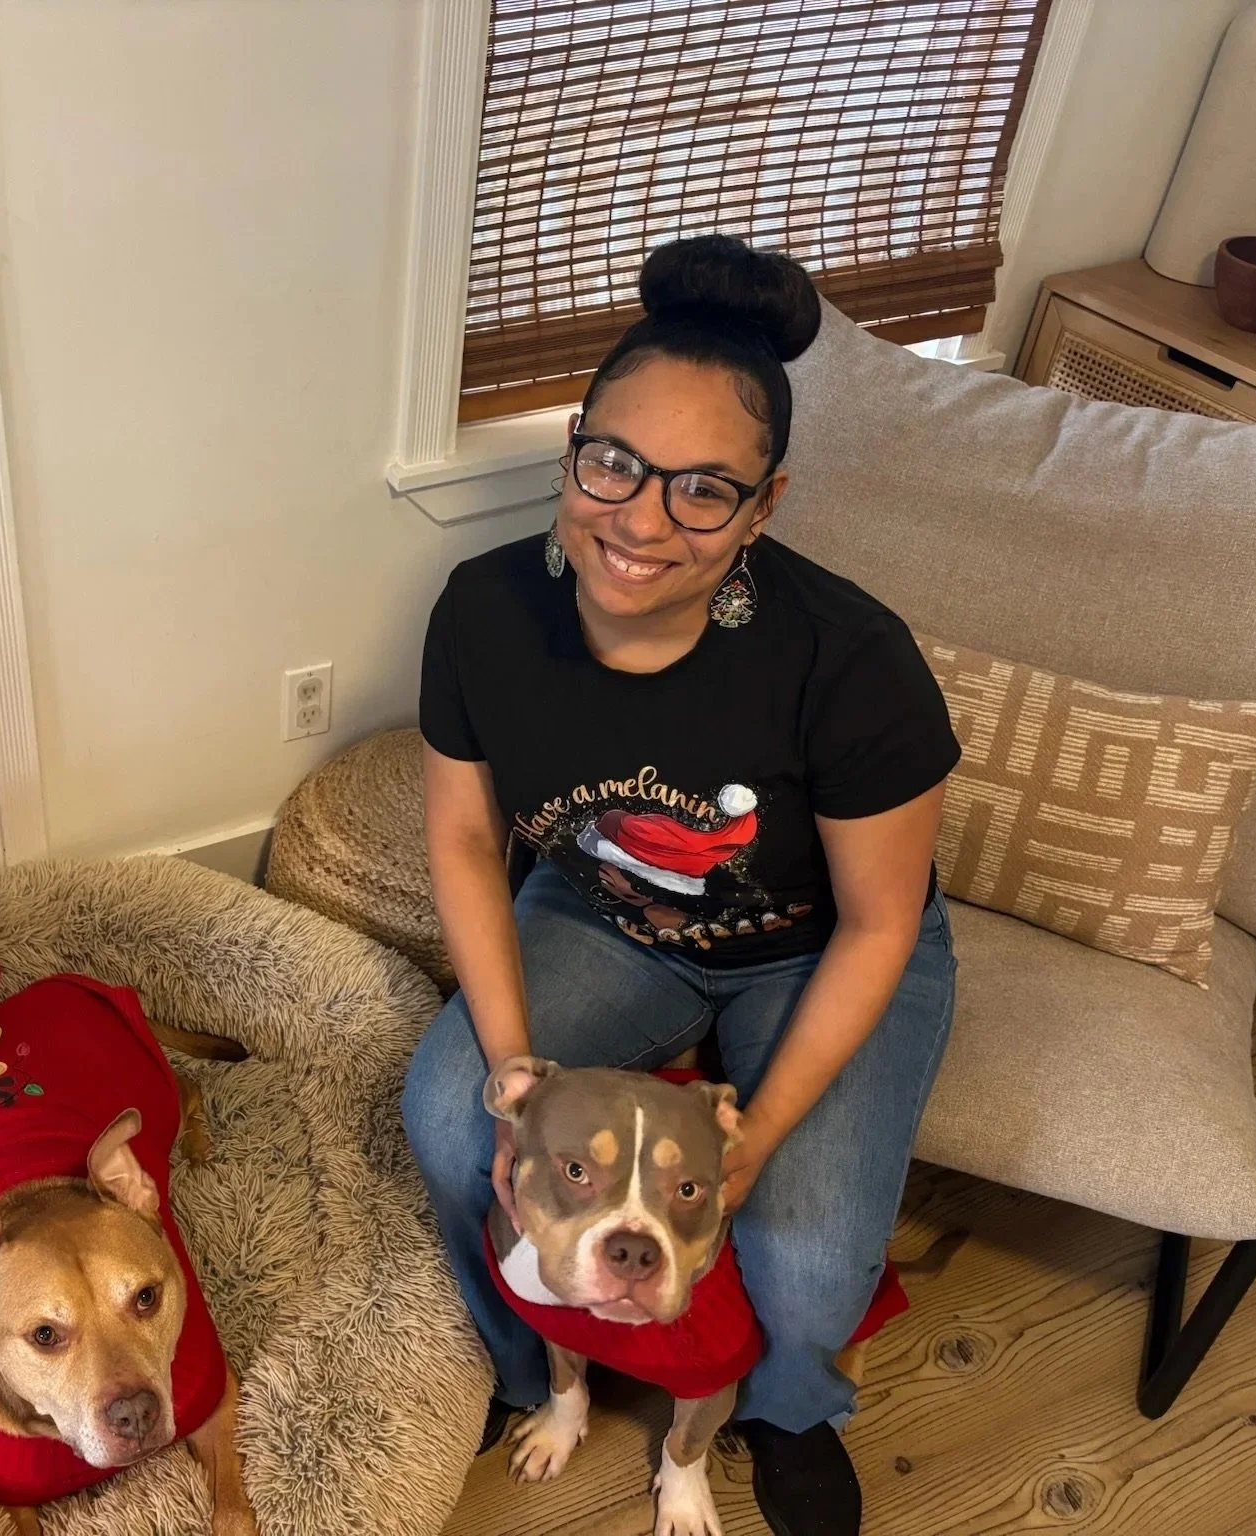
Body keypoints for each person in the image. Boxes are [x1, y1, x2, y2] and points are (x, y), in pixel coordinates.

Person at [401, 234, 960, 1536]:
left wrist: (753, 1139)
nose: (642, 521)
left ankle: (788, 1408)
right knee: (447, 1123)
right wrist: (511, 1075)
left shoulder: (853, 662)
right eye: (615, 464)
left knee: (807, 1252)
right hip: (604, 917)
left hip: (817, 949)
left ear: (764, 506)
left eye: (704, 491)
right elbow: (466, 840)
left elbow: (881, 921)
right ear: (573, 453)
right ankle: (523, 1360)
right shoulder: (484, 613)